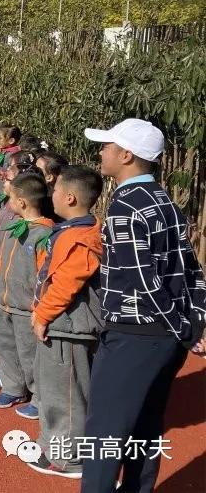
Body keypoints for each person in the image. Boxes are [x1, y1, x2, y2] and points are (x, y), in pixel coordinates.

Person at [81, 119, 206, 493]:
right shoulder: (165, 200)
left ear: (126, 155)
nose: (101, 153)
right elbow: (191, 268)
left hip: (136, 336)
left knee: (104, 434)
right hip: (165, 337)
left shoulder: (126, 209)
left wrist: (183, 329)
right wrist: (194, 321)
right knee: (145, 427)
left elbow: (144, 284)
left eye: (107, 146)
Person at [25, 165, 103, 479]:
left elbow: (66, 283)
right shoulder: (74, 230)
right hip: (62, 324)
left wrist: (42, 315)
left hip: (69, 328)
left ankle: (69, 457)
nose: (51, 195)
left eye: (55, 190)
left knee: (66, 394)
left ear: (69, 198)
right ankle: (53, 443)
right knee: (54, 389)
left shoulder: (81, 238)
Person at [0, 173, 53, 419]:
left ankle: (39, 396)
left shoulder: (43, 234)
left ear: (23, 202)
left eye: (11, 198)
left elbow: (44, 276)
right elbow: (2, 261)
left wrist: (39, 307)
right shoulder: (13, 227)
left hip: (26, 307)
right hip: (4, 302)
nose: (8, 201)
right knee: (4, 347)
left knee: (31, 355)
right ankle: (14, 387)